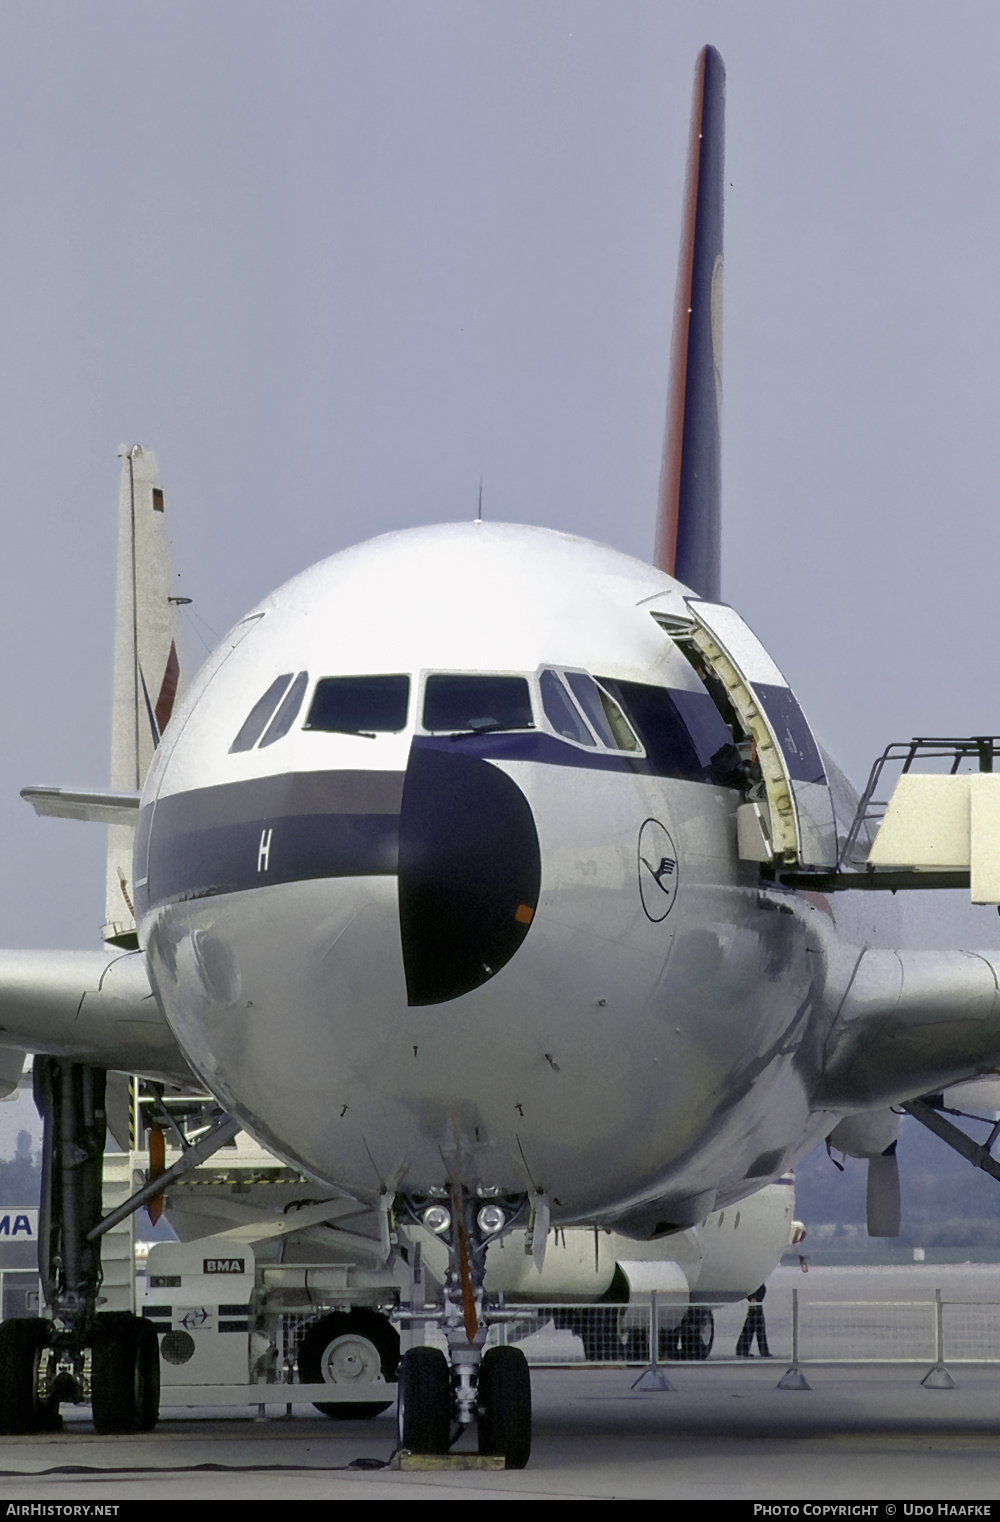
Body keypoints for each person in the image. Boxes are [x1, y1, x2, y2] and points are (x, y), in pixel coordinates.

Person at [736, 1283, 771, 1357]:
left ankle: (742, 1349)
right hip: (756, 1302)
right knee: (756, 1326)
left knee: (751, 1326)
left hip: (756, 1302)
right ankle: (762, 1351)